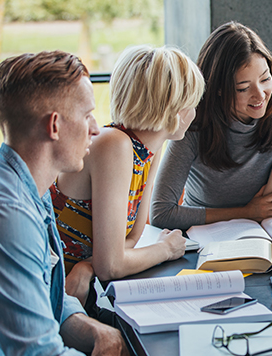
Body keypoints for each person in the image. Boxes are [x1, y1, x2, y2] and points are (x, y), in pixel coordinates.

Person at [0, 51, 134, 356]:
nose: (96, 128)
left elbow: (41, 299)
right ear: (54, 126)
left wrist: (98, 332)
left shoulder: (22, 186)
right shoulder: (2, 215)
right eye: (87, 115)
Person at [51, 45, 205, 318]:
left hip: (79, 287)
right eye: (192, 101)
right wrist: (165, 249)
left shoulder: (149, 149)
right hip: (52, 291)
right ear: (175, 107)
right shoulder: (115, 145)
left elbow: (131, 237)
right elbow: (111, 265)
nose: (194, 110)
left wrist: (89, 265)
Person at [150, 21, 272, 231]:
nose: (260, 95)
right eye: (243, 88)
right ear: (218, 88)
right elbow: (161, 213)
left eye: (265, 79)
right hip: (202, 242)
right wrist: (247, 212)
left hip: (259, 240)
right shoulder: (193, 124)